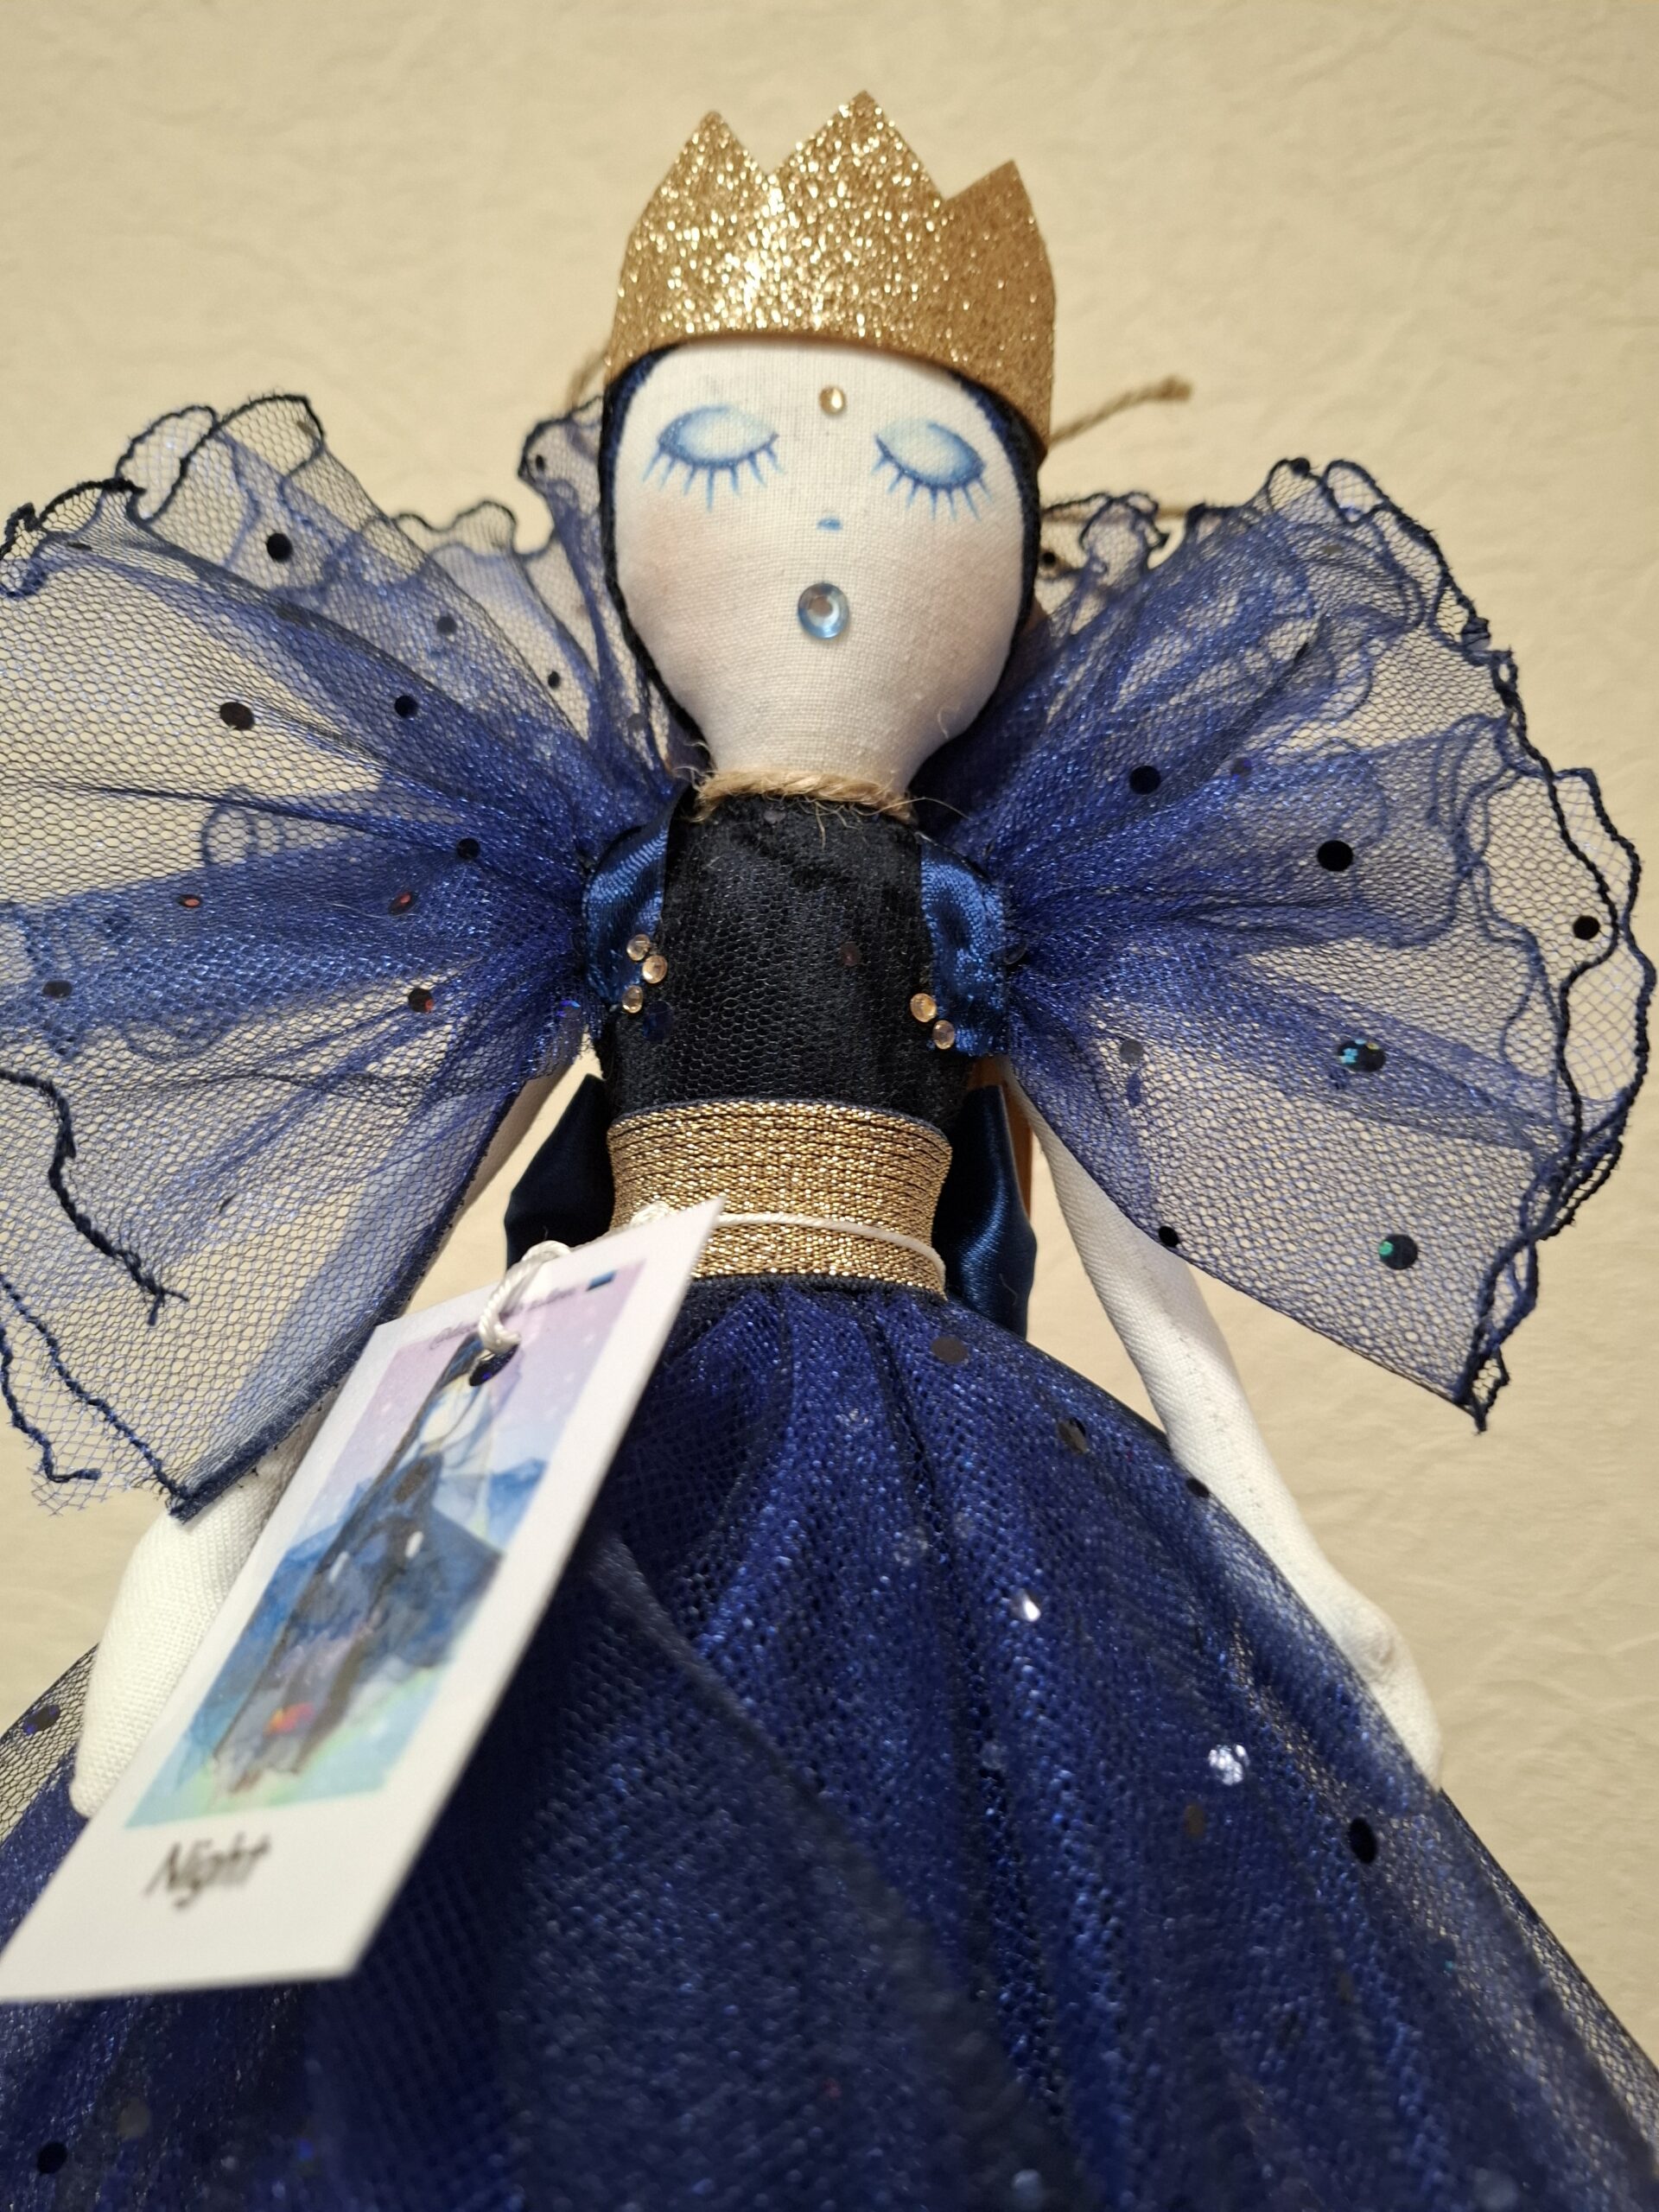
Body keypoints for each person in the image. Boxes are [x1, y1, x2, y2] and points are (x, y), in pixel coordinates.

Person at [0, 92, 1653, 2212]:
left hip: (952, 1469)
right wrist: (218, 1526)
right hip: (599, 1421)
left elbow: (1137, 1228)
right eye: (721, 452)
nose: (829, 505)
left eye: (926, 477)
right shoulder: (593, 889)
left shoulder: (1001, 911)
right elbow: (407, 1202)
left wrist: (1285, 1551)